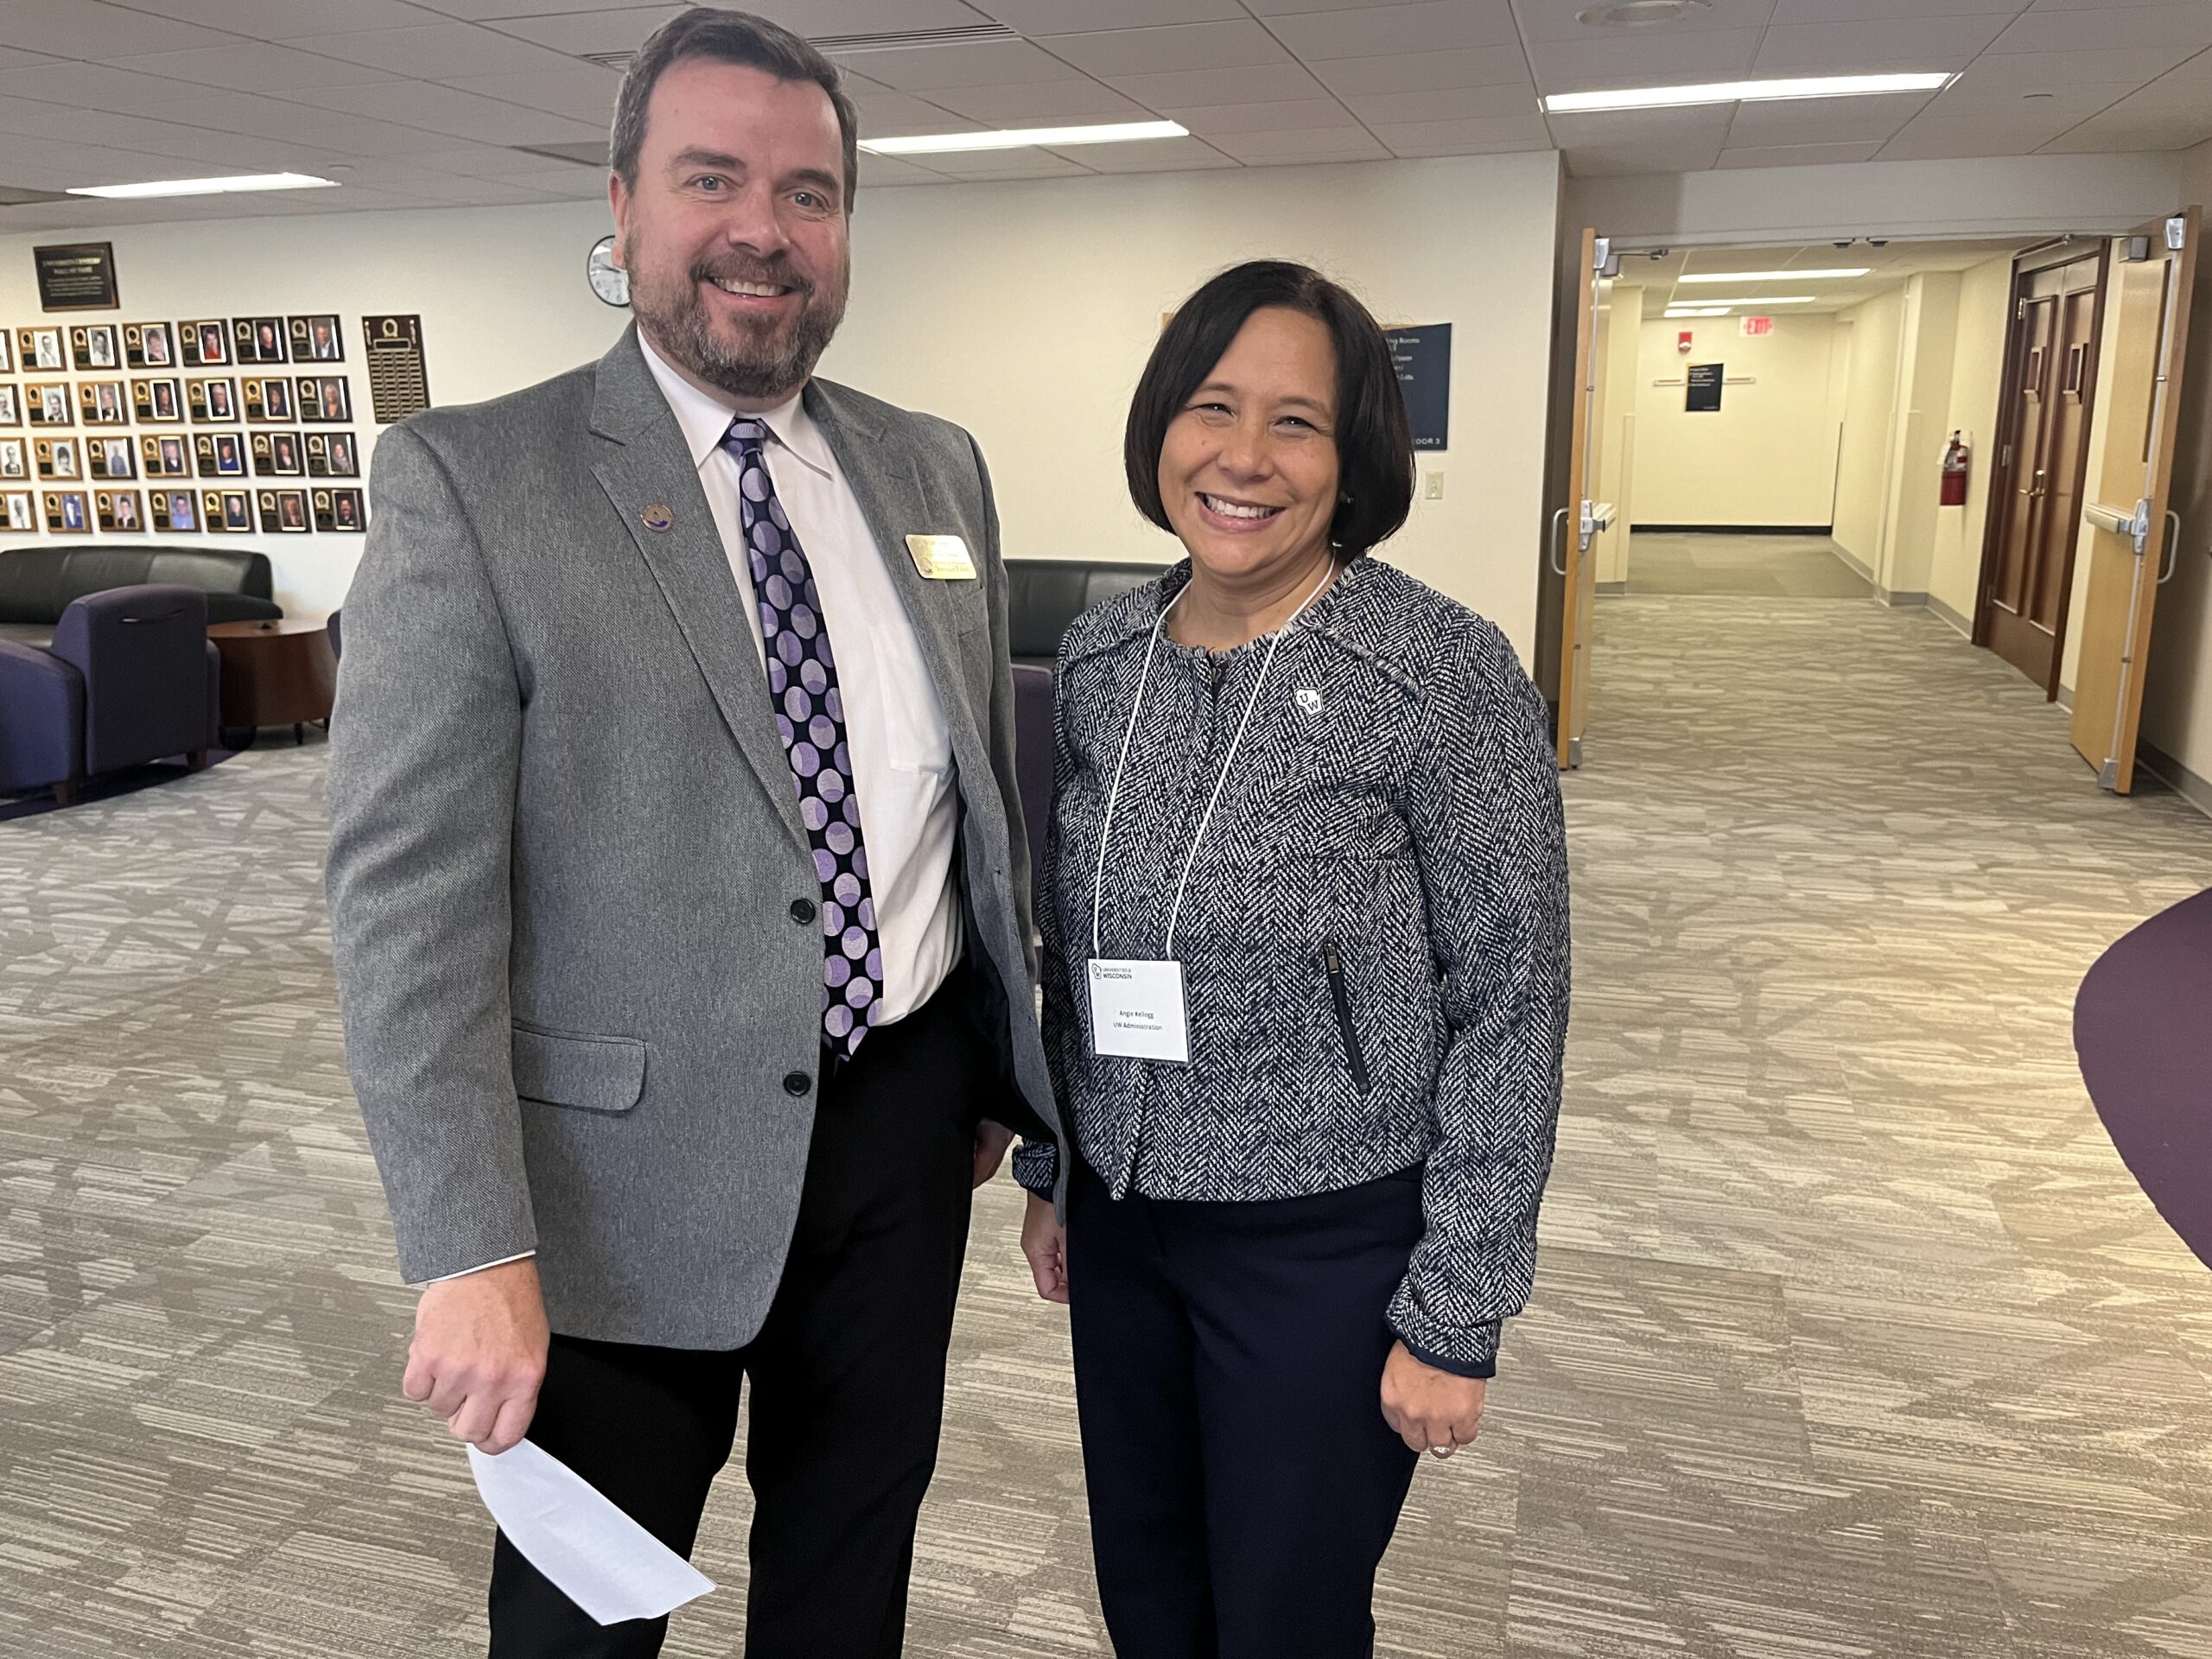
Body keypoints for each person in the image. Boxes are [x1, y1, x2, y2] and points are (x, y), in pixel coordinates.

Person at [324, 10, 1055, 1657]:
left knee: (849, 1576)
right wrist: (468, 1244)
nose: (761, 230)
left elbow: (973, 807)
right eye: (711, 178)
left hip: (899, 1135)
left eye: (808, 192)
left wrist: (997, 1075)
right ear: (624, 205)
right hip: (615, 1184)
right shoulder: (475, 482)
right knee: (585, 1620)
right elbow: (408, 907)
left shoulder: (934, 471)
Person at [1014, 260, 1571, 1659]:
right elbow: (1073, 937)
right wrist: (1055, 1169)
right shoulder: (1100, 657)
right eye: (1212, 407)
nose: (1244, 457)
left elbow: (1513, 999)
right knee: (1149, 1591)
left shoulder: (1439, 673)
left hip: (1324, 1235)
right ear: (1162, 425)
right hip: (1126, 1219)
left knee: (1285, 1615)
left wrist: (1459, 1311)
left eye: (1297, 423)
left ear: (1355, 454)